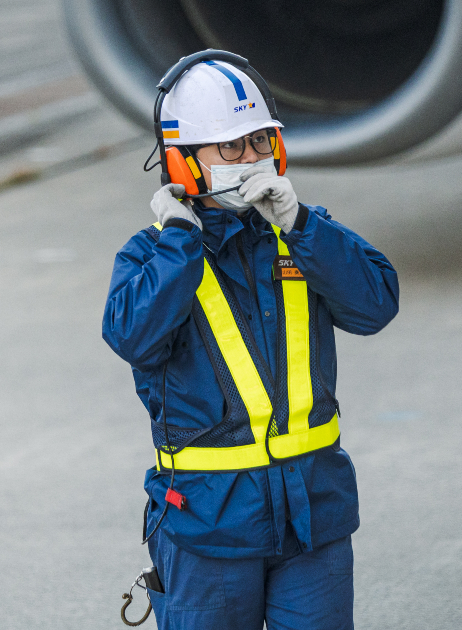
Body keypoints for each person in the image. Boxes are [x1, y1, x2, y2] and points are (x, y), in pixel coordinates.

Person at [102, 55, 399, 630]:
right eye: (231, 147)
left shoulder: (301, 234)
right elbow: (133, 337)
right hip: (208, 523)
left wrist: (303, 225)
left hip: (311, 516)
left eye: (261, 141)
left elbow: (375, 306)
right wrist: (180, 242)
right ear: (182, 163)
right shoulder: (151, 256)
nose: (252, 159)